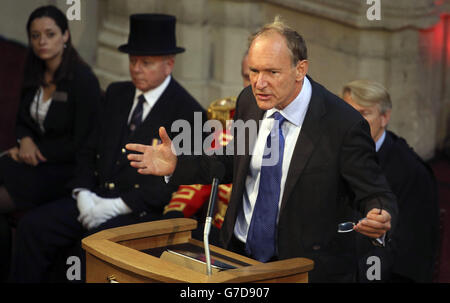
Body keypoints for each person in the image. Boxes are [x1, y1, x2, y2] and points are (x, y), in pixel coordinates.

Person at [126, 16, 398, 282]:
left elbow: (376, 193)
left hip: (303, 269)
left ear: (300, 69)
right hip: (238, 259)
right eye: (254, 71)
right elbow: (230, 162)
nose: (259, 83)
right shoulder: (250, 102)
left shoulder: (343, 124)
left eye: (272, 72)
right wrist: (177, 164)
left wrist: (380, 215)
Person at [9, 13, 206, 283]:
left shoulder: (189, 112)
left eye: (146, 63)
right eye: (133, 60)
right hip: (94, 195)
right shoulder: (117, 93)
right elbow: (89, 148)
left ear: (168, 65)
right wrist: (82, 192)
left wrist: (118, 205)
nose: (136, 68)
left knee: (86, 249)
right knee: (33, 228)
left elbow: (175, 183)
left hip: (138, 213)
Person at [0, 5, 100, 281]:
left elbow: (83, 143)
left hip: (61, 172)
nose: (41, 41)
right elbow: (21, 120)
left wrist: (35, 150)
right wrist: (25, 139)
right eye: (35, 36)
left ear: (65, 36)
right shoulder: (34, 71)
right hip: (30, 162)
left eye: (49, 34)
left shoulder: (83, 81)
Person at [342, 79, 439, 282]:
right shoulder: (333, 152)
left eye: (363, 113)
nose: (352, 122)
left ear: (385, 117)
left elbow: (414, 248)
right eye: (347, 113)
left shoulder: (412, 172)